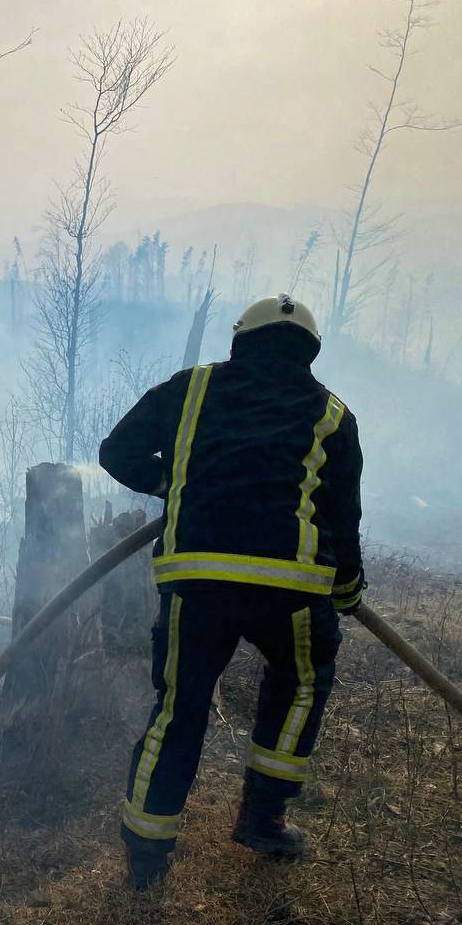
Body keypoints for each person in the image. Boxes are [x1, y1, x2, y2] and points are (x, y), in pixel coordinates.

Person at [99, 293, 365, 890]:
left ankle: (145, 860)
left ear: (239, 340)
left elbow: (116, 452)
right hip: (290, 584)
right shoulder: (333, 415)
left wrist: (178, 481)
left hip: (196, 579)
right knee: (300, 681)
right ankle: (265, 815)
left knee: (178, 708)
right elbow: (341, 516)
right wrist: (346, 588)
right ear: (310, 352)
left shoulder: (189, 388)